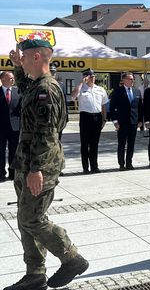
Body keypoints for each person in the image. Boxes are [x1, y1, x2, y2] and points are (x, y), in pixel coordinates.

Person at [6, 39, 88, 290]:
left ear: (38, 57)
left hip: (40, 165)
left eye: (24, 57)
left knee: (33, 219)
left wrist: (36, 169)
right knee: (25, 219)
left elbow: (47, 132)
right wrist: (17, 67)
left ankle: (71, 258)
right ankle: (35, 274)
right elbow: (25, 85)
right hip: (26, 161)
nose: (21, 60)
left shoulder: (48, 89)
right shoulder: (36, 85)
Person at [71, 68, 108, 174]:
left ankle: (94, 166)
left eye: (94, 76)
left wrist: (104, 118)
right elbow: (73, 96)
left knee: (94, 144)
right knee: (84, 144)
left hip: (97, 117)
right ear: (85, 77)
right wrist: (81, 83)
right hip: (85, 118)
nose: (93, 78)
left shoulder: (100, 89)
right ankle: (85, 168)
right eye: (90, 77)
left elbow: (104, 104)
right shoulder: (81, 88)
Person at [109, 72, 143, 170]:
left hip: (133, 122)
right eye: (130, 79)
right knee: (122, 144)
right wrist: (115, 121)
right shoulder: (118, 91)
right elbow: (112, 108)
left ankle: (129, 163)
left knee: (131, 144)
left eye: (133, 79)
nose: (132, 81)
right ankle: (121, 164)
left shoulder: (137, 92)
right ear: (124, 80)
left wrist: (140, 120)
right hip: (122, 123)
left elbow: (140, 108)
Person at [0, 71, 20, 182]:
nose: (13, 80)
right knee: (0, 151)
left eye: (13, 78)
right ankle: (1, 173)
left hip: (15, 128)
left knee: (14, 151)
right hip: (1, 128)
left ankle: (13, 173)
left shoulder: (18, 92)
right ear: (3, 80)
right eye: (10, 78)